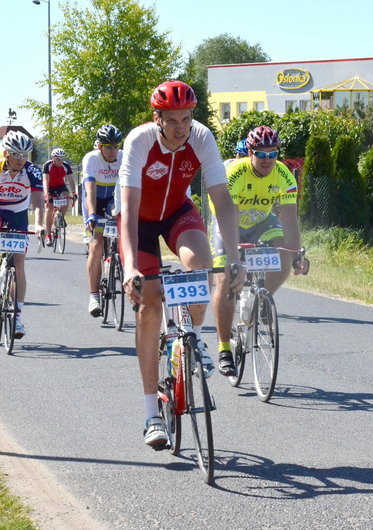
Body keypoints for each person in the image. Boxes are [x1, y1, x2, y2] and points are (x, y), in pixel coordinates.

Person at [119, 80, 243, 450]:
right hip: (139, 221)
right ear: (157, 118)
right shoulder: (139, 141)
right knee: (151, 299)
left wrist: (234, 257)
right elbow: (128, 210)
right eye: (172, 120)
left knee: (204, 264)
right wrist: (129, 268)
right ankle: (150, 414)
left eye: (186, 118)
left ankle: (195, 337)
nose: (181, 127)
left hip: (177, 213)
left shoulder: (202, 137)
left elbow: (221, 198)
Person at [210, 125, 308, 376]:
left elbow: (289, 219)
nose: (268, 160)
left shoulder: (284, 174)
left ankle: (260, 300)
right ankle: (223, 349)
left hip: (261, 223)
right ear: (250, 153)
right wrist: (234, 256)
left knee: (283, 257)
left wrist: (296, 253)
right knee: (225, 278)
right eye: (261, 154)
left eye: (273, 153)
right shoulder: (234, 173)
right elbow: (227, 213)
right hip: (228, 222)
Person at [0, 132, 44, 338]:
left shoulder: (32, 171)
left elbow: (38, 201)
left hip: (18, 212)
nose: (20, 160)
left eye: (25, 155)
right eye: (16, 154)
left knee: (19, 265)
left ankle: (17, 318)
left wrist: (40, 224)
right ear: (6, 153)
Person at [82, 124, 123, 317]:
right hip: (95, 201)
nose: (113, 150)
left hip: (114, 199)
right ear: (100, 147)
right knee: (97, 244)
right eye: (108, 147)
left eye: (116, 146)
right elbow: (90, 190)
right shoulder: (91, 159)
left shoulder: (123, 157)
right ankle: (94, 295)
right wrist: (91, 214)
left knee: (128, 238)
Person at [42, 148, 76, 247]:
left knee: (66, 197)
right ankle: (48, 235)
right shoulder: (47, 165)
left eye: (62, 159)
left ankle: (60, 217)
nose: (60, 161)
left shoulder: (66, 166)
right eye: (58, 159)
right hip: (50, 187)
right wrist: (46, 193)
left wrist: (74, 192)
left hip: (61, 187)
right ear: (53, 158)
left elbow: (71, 180)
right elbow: (45, 181)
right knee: (49, 209)